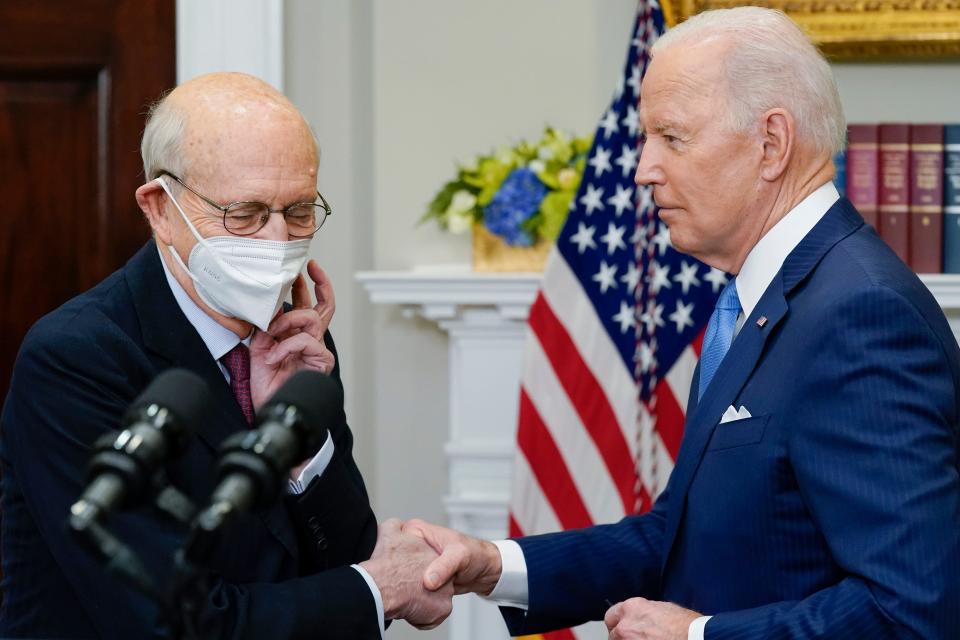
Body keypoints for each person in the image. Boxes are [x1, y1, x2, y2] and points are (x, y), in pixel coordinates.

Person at [401, 7, 960, 639]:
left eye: (673, 137)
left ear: (771, 143)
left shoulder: (860, 314)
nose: (643, 169)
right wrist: (491, 564)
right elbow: (681, 534)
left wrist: (697, 636)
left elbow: (913, 611)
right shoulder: (760, 301)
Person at [0, 72, 450, 639]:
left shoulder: (299, 341)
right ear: (161, 209)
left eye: (301, 210)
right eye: (245, 214)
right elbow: (175, 622)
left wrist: (301, 455)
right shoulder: (76, 358)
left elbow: (343, 552)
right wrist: (381, 588)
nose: (279, 241)